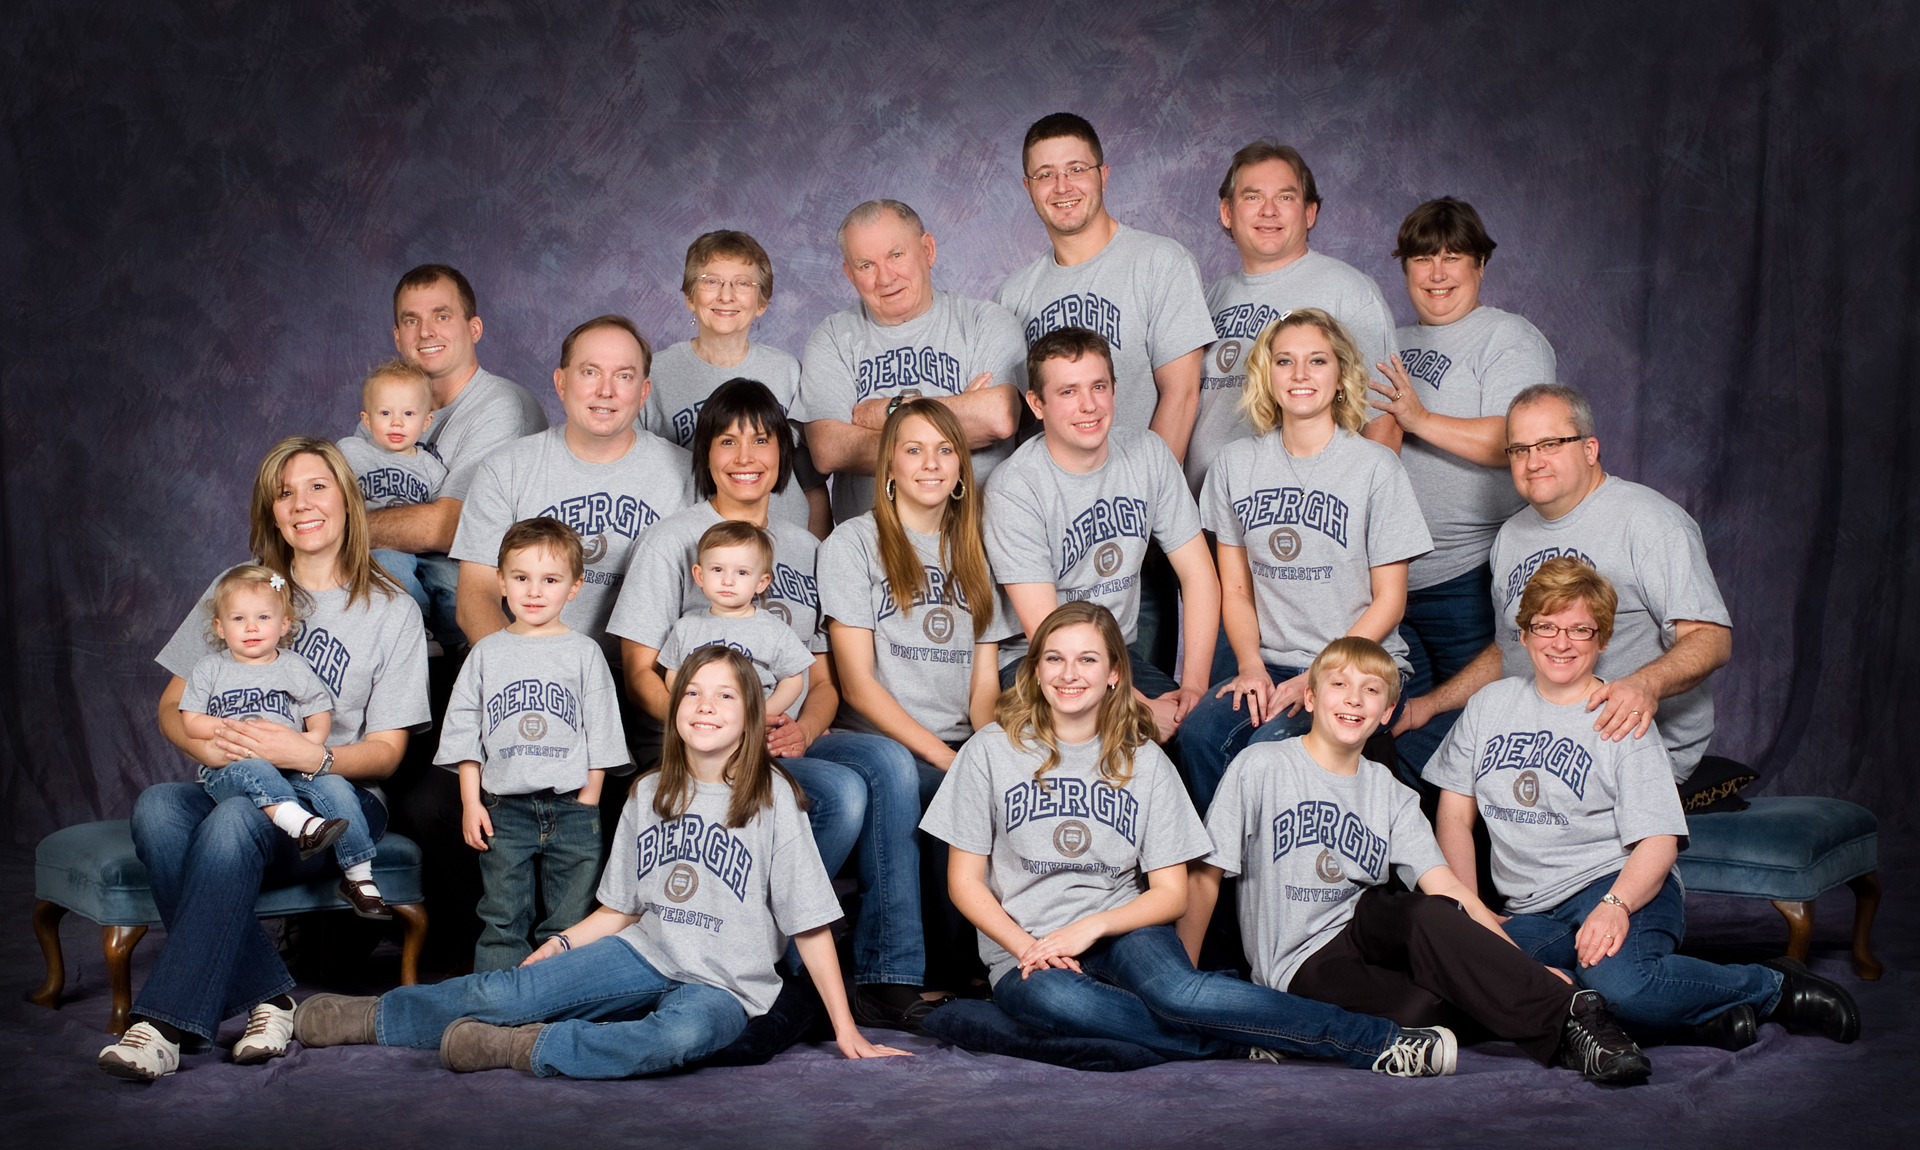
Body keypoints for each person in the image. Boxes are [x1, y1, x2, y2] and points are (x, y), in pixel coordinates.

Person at [291, 647, 912, 1078]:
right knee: (509, 989)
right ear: (674, 709)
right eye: (692, 691)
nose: (705, 704)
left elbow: (809, 922)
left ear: (751, 714)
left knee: (679, 1039)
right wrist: (560, 946)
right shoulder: (650, 792)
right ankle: (364, 1016)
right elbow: (619, 909)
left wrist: (846, 1029)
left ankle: (524, 1049)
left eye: (725, 695)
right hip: (642, 952)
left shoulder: (772, 797)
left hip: (725, 986)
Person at [919, 601, 1457, 1076]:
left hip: (1125, 929)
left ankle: (1381, 1044)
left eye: (1087, 659)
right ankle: (1239, 1038)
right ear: (1035, 671)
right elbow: (964, 882)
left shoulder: (1145, 761)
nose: (1069, 674)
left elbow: (1171, 894)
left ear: (1113, 675)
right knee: (1068, 1007)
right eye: (1054, 658)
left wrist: (1093, 927)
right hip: (1026, 951)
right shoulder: (990, 752)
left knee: (1180, 993)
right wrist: (1028, 948)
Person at [96, 437, 430, 1080]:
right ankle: (267, 998)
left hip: (334, 800)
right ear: (270, 512)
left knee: (232, 823)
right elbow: (172, 709)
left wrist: (308, 751)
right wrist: (212, 743)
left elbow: (387, 755)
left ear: (347, 499)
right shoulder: (238, 590)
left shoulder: (392, 612)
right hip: (239, 779)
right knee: (159, 807)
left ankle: (161, 1025)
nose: (301, 503)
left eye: (317, 487)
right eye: (284, 492)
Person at [1182, 637, 1653, 1084]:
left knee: (1425, 910)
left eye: (1370, 690)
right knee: (1424, 1014)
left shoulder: (1391, 792)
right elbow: (1206, 876)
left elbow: (1445, 887)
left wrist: (1518, 966)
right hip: (1299, 960)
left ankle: (1577, 1015)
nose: (1353, 700)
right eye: (1339, 685)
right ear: (1310, 698)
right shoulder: (1262, 765)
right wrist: (1183, 981)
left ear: (1386, 712)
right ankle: (1573, 1022)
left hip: (1364, 925)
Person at [1430, 558, 1860, 1048]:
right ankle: (1704, 1017)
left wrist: (1616, 905)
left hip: (1618, 884)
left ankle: (1775, 987)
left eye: (1580, 629)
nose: (1561, 642)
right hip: (1529, 909)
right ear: (1524, 635)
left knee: (1625, 988)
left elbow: (1659, 841)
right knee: (1459, 984)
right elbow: (1454, 816)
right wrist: (1472, 913)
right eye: (1545, 626)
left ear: (1603, 639)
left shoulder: (1620, 716)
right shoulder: (1490, 705)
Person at [1394, 385, 1732, 783]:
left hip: (1623, 733)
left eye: (1550, 444)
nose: (1533, 461)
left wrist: (1645, 685)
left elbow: (1710, 637)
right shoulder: (1512, 536)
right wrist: (1431, 705)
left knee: (1502, 799)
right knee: (1401, 756)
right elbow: (1508, 650)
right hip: (1533, 723)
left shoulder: (1650, 522)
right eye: (1520, 449)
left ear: (1590, 450)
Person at [1173, 308, 1430, 812]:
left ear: (1340, 377)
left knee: (1271, 755)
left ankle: (1278, 884)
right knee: (1199, 738)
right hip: (1268, 660)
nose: (1300, 374)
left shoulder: (1375, 468)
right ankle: (1221, 884)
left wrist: (1318, 675)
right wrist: (1249, 665)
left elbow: (1391, 601)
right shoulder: (1234, 466)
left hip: (1355, 662)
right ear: (1266, 377)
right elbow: (1238, 590)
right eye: (1284, 361)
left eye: (1317, 361)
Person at [816, 399, 1019, 1026]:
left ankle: (979, 966)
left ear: (962, 468)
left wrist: (992, 750)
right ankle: (892, 974)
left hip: (953, 739)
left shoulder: (979, 550)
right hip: (867, 740)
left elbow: (985, 685)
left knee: (1006, 782)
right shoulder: (853, 544)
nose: (930, 463)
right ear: (889, 468)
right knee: (919, 778)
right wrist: (945, 756)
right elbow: (857, 683)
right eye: (913, 449)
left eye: (944, 450)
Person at [996, 114, 1218, 676]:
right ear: (1028, 188)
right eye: (1045, 175)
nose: (1062, 186)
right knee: (1078, 694)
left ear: (1104, 174)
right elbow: (1020, 414)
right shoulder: (1016, 293)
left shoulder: (1157, 261)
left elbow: (1183, 393)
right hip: (1056, 534)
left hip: (1137, 532)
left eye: (1076, 169)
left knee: (1143, 704)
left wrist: (1137, 515)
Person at [1365, 199, 1557, 777]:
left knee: (1481, 738)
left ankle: (1485, 865)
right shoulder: (1387, 340)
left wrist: (1419, 419)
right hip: (1389, 581)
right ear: (1405, 269)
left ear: (1480, 265)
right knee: (1394, 735)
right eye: (1423, 258)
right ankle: (1422, 866)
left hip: (1468, 581)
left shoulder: (1506, 338)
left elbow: (1518, 441)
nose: (1438, 273)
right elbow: (1365, 451)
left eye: (1453, 258)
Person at [983, 328, 1220, 743]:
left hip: (1117, 658)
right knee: (1125, 735)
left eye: (1098, 386)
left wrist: (1193, 688)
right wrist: (1140, 709)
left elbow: (1199, 576)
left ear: (1114, 389)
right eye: (1068, 392)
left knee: (1202, 732)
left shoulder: (1147, 454)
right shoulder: (1015, 488)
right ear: (1036, 404)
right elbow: (1048, 633)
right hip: (1036, 664)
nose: (1089, 405)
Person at [439, 518, 626, 971]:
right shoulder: (486, 652)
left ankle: (555, 1001)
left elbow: (601, 729)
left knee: (568, 919)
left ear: (575, 586)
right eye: (521, 578)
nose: (535, 591)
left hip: (572, 805)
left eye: (550, 580)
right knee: (502, 915)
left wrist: (590, 798)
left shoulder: (584, 652)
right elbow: (466, 733)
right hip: (504, 807)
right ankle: (496, 1007)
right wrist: (471, 801)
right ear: (501, 582)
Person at [450, 314, 694, 662]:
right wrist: (523, 671)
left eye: (623, 376)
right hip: (529, 664)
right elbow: (476, 598)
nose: (605, 391)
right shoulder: (507, 468)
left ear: (643, 393)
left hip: (644, 677)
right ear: (561, 382)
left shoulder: (685, 475)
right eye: (590, 372)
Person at [178, 563, 391, 919]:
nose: (251, 627)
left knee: (338, 786)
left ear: (283, 625)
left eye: (263, 617)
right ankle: (301, 825)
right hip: (233, 767)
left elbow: (318, 713)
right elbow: (191, 722)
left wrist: (308, 744)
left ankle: (358, 876)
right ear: (219, 627)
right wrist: (239, 734)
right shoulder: (210, 669)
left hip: (290, 764)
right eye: (238, 619)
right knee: (256, 766)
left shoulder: (292, 666)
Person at [1186, 141, 1399, 495]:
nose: (1269, 211)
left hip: (1295, 514)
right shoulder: (1212, 297)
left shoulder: (1348, 291)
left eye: (1285, 198)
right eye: (1253, 197)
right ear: (1227, 212)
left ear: (1310, 212)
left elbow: (1384, 420)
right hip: (1207, 515)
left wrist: (1354, 514)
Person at [795, 200, 1024, 525]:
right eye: (865, 265)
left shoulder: (984, 322)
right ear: (849, 273)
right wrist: (958, 417)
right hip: (873, 554)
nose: (885, 277)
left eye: (896, 255)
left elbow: (998, 416)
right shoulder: (832, 338)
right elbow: (830, 449)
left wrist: (885, 411)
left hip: (975, 541)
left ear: (927, 250)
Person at [367, 264, 549, 644]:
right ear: (398, 337)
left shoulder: (502, 406)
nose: (427, 331)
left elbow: (449, 527)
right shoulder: (388, 406)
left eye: (442, 316)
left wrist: (337, 529)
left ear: (474, 328)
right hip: (395, 581)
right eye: (412, 320)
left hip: (471, 605)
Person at [641, 230, 830, 537]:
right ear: (690, 296)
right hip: (697, 546)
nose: (726, 296)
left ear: (762, 303)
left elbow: (811, 485)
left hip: (781, 542)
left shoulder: (787, 371)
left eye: (743, 283)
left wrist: (815, 557)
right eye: (711, 281)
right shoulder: (656, 374)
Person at [657, 520, 815, 720]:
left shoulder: (774, 630)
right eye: (717, 569)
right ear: (699, 575)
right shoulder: (685, 627)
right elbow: (673, 674)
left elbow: (793, 680)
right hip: (701, 724)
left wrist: (761, 716)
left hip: (752, 732)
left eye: (742, 572)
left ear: (761, 582)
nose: (728, 581)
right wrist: (688, 704)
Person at [338, 359, 452, 629]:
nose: (397, 423)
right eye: (385, 413)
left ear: (427, 422)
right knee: (393, 567)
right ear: (366, 420)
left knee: (452, 578)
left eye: (409, 414)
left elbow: (441, 514)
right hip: (376, 546)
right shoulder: (351, 451)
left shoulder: (431, 467)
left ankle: (457, 640)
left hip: (422, 549)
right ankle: (414, 629)